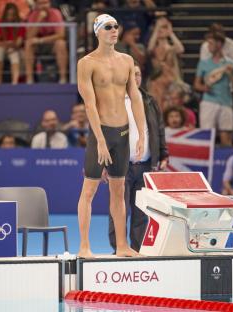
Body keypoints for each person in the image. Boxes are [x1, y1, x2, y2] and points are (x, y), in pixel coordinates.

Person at [77, 14, 146, 258]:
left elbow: (135, 97)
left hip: (123, 132)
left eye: (117, 26)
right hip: (101, 134)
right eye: (109, 27)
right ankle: (84, 245)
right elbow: (89, 106)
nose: (114, 30)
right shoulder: (87, 63)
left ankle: (122, 246)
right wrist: (101, 140)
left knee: (119, 192)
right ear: (98, 32)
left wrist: (142, 133)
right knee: (89, 192)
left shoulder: (127, 61)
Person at [108, 61, 168, 252]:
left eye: (138, 74)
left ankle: (137, 249)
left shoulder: (149, 100)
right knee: (118, 211)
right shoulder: (113, 100)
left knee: (141, 212)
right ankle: (118, 248)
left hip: (145, 166)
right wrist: (102, 164)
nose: (135, 77)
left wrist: (163, 154)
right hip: (119, 166)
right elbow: (104, 132)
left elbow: (158, 129)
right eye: (131, 74)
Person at [194, 31, 233, 146]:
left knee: (226, 138)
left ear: (219, 44)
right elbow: (196, 85)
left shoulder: (231, 64)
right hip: (208, 103)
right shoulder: (203, 63)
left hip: (226, 103)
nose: (208, 46)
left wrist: (231, 75)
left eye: (211, 43)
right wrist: (205, 88)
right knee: (207, 137)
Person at [24, 0, 68, 84]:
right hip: (38, 44)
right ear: (36, 5)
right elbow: (29, 36)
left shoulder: (56, 13)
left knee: (61, 44)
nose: (44, 6)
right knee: (28, 44)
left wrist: (41, 40)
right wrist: (39, 20)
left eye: (46, 3)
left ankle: (63, 78)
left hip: (51, 43)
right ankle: (29, 79)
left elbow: (61, 35)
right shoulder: (33, 15)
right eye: (41, 4)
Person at [0, 2, 24, 84]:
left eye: (12, 15)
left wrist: (12, 46)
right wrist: (6, 45)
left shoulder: (20, 24)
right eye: (8, 14)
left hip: (14, 47)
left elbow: (19, 42)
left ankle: (14, 82)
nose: (10, 17)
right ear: (5, 14)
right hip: (2, 46)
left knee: (14, 55)